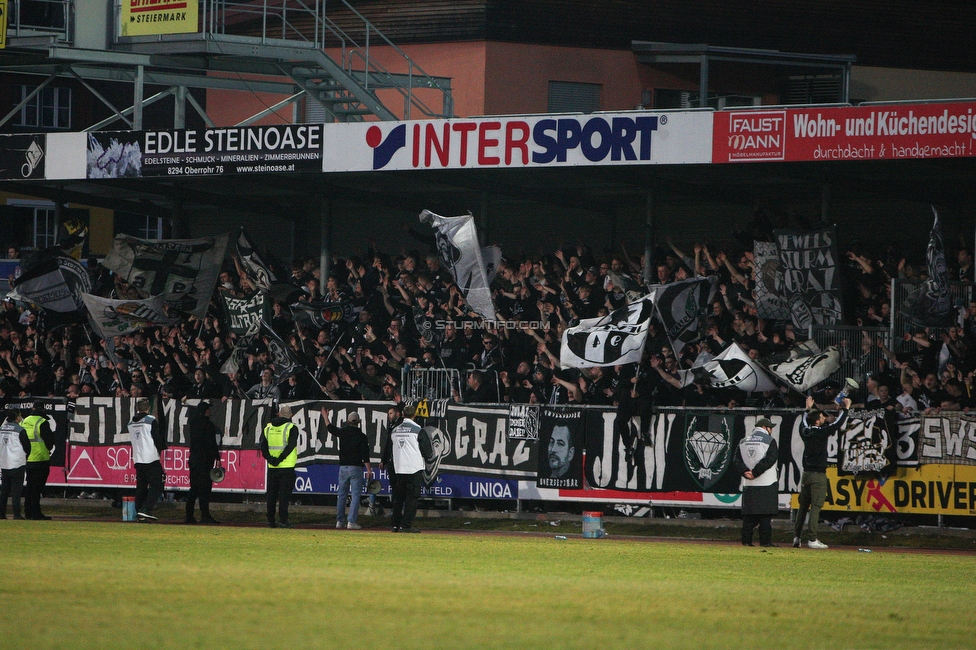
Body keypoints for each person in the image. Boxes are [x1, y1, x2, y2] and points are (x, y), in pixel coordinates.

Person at [793, 395, 850, 549]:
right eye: (821, 417)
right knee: (815, 507)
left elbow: (804, 422)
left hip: (806, 474)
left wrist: (808, 408)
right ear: (817, 421)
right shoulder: (821, 432)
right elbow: (837, 424)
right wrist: (845, 409)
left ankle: (797, 537)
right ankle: (812, 539)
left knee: (803, 507)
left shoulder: (805, 431)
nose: (823, 418)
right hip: (818, 475)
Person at [381, 404, 431, 533]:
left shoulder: (395, 430)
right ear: (414, 415)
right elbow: (428, 452)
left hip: (399, 469)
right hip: (414, 469)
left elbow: (391, 449)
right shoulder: (418, 430)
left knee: (398, 498)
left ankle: (395, 525)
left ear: (402, 415)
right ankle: (406, 525)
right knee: (411, 499)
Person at [321, 407, 372, 530]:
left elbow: (330, 428)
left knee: (342, 495)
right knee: (355, 496)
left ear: (348, 421)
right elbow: (365, 455)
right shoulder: (361, 436)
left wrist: (325, 417)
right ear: (358, 422)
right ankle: (351, 522)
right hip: (356, 468)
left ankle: (339, 521)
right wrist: (369, 470)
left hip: (343, 467)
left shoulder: (343, 432)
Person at [733, 417, 779, 547]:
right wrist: (756, 472)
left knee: (748, 516)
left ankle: (746, 541)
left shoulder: (743, 441)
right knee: (765, 516)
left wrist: (745, 471)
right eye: (770, 427)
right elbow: (770, 459)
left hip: (749, 484)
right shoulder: (770, 441)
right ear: (765, 428)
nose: (771, 430)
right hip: (767, 482)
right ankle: (765, 542)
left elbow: (736, 460)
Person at [261, 404, 299, 528]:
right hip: (287, 466)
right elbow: (290, 446)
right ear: (291, 415)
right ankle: (283, 520)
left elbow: (263, 447)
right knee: (284, 496)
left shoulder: (268, 427)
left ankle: (270, 520)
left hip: (272, 467)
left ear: (279, 414)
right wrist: (280, 459)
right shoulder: (291, 427)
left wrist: (271, 459)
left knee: (271, 495)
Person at [130, 398, 167, 522]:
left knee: (141, 486)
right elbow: (156, 437)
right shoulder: (150, 421)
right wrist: (162, 447)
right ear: (148, 408)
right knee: (157, 485)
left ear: (137, 409)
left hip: (138, 458)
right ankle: (145, 509)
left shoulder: (131, 423)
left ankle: (139, 510)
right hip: (150, 458)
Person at [185, 401, 221, 525]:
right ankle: (205, 515)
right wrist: (217, 457)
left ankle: (188, 515)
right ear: (206, 411)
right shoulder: (208, 425)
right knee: (205, 489)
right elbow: (211, 443)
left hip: (194, 459)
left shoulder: (193, 424)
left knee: (194, 488)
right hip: (205, 460)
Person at [22, 404, 55, 520]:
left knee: (29, 487)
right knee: (37, 489)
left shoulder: (25, 421)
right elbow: (49, 440)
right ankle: (36, 513)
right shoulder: (42, 422)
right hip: (40, 458)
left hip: (27, 458)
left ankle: (28, 512)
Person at [0, 409, 30, 520]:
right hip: (17, 463)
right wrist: (25, 456)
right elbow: (27, 446)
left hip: (4, 463)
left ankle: (1, 513)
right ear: (17, 417)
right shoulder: (20, 430)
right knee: (16, 491)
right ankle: (17, 514)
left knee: (4, 491)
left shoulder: (1, 428)